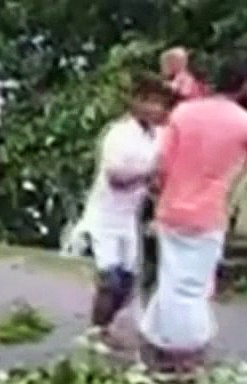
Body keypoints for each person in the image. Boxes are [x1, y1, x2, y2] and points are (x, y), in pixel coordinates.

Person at [143, 53, 247, 374]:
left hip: (171, 210)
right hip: (206, 215)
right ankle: (184, 352)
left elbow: (160, 166)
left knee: (172, 278)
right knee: (192, 287)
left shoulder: (184, 112)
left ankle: (156, 339)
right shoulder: (246, 123)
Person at [72, 76, 174, 348]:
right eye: (150, 101)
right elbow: (117, 178)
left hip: (130, 217)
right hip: (105, 215)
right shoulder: (119, 134)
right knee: (110, 278)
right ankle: (95, 331)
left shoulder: (159, 136)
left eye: (160, 103)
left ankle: (105, 326)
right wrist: (150, 174)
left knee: (128, 282)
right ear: (135, 102)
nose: (156, 109)